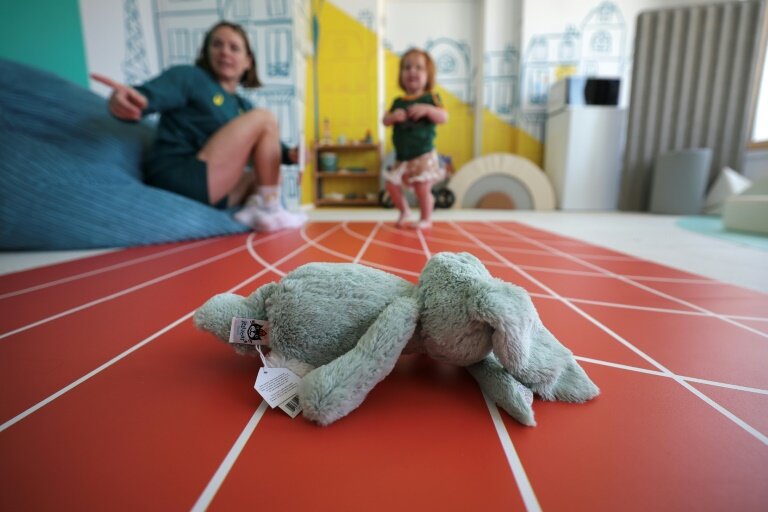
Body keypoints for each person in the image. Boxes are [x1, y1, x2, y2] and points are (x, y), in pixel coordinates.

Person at [91, 20, 306, 232]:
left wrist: (292, 155)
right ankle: (271, 209)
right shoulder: (190, 77)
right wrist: (125, 100)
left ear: (248, 61)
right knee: (265, 118)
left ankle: (254, 209)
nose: (224, 52)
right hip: (181, 175)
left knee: (262, 174)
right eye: (217, 44)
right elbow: (147, 96)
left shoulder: (243, 106)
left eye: (234, 48)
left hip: (212, 183)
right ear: (206, 52)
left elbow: (272, 149)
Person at [382, 48, 448, 229]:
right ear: (401, 74)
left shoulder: (431, 97)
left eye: (419, 68)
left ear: (429, 75)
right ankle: (405, 211)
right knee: (391, 184)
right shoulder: (398, 101)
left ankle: (426, 217)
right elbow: (385, 120)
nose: (412, 71)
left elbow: (443, 117)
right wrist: (394, 117)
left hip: (423, 155)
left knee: (422, 187)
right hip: (402, 156)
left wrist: (428, 110)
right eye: (407, 67)